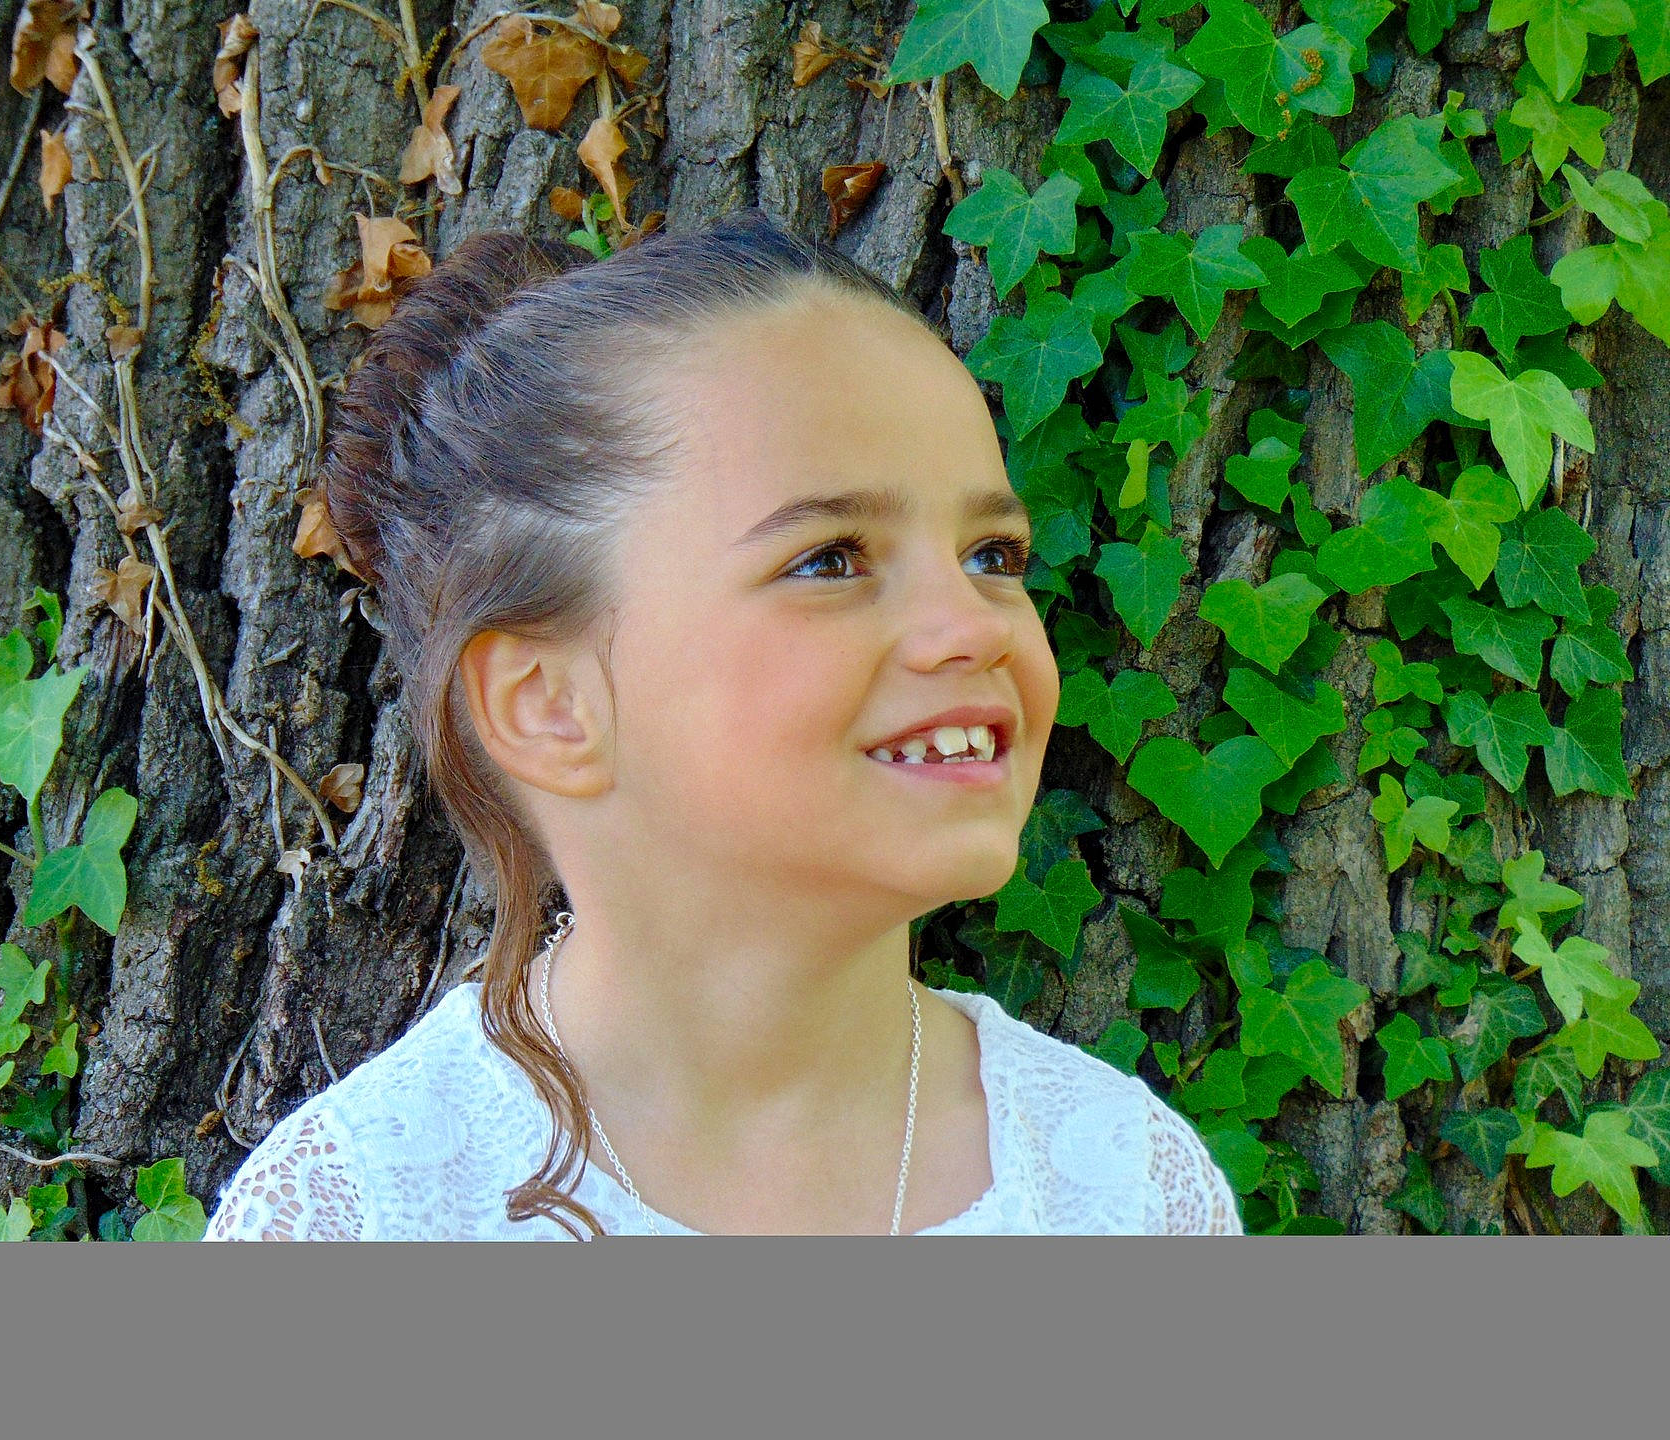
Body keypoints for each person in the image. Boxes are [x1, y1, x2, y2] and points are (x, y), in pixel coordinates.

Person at [204, 207, 1242, 1239]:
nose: (970, 626)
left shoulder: (1120, 1187)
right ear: (549, 705)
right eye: (831, 559)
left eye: (993, 557)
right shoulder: (369, 1215)